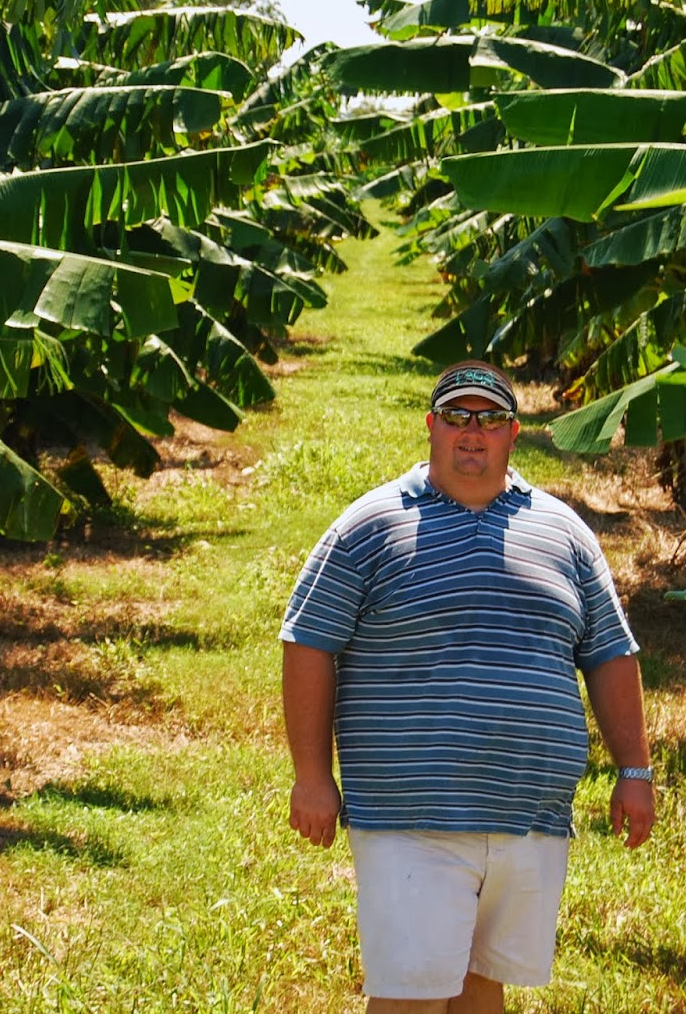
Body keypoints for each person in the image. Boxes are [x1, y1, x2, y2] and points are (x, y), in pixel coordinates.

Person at [280, 360, 655, 1014]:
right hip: (411, 815)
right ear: (431, 427)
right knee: (410, 999)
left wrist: (636, 770)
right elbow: (309, 641)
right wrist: (312, 776)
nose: (471, 433)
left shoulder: (565, 532)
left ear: (514, 433)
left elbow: (609, 654)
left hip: (530, 816)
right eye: (456, 417)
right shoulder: (371, 525)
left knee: (483, 989)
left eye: (489, 420)